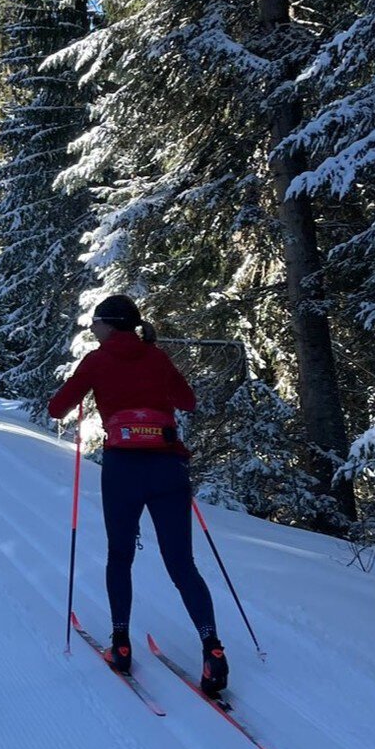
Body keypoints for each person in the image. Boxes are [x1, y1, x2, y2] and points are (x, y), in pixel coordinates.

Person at [47, 295, 228, 695]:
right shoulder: (157, 357)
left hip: (123, 469)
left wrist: (93, 393)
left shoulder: (96, 361)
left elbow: (57, 409)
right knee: (182, 564)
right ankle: (212, 649)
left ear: (111, 324)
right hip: (167, 467)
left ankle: (121, 644)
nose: (93, 329)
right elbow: (188, 401)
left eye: (96, 323)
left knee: (120, 556)